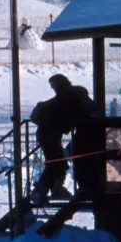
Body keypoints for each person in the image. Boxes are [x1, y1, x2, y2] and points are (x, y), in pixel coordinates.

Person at [29, 74, 93, 206]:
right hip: (50, 134)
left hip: (46, 133)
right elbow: (87, 110)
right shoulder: (74, 94)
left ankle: (55, 188)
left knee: (58, 162)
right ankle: (41, 190)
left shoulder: (62, 97)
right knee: (56, 163)